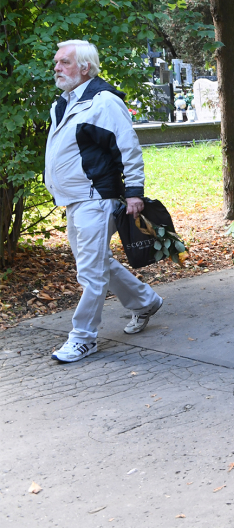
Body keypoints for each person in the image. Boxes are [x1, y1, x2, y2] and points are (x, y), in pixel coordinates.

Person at [44, 40, 163, 363]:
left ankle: (83, 337)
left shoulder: (103, 101)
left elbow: (129, 148)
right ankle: (145, 301)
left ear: (84, 67)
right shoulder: (65, 102)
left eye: (64, 62)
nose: (56, 67)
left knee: (90, 272)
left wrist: (134, 192)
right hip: (74, 199)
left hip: (96, 198)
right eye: (57, 62)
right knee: (97, 263)